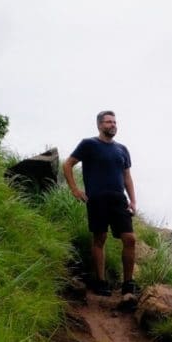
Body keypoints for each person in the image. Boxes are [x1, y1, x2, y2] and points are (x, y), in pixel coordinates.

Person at [62, 110, 137, 296]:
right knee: (99, 238)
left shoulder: (122, 149)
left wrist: (133, 200)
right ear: (99, 125)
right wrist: (75, 190)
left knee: (130, 239)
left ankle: (128, 283)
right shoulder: (89, 144)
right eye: (108, 122)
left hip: (119, 199)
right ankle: (100, 282)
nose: (113, 125)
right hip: (97, 199)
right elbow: (68, 164)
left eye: (114, 122)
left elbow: (127, 176)